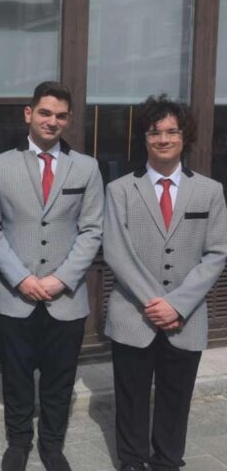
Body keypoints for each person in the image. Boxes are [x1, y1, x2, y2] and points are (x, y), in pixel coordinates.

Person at [103, 95, 227, 471]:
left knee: (176, 396)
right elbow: (116, 251)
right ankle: (131, 459)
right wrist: (154, 302)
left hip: (185, 318)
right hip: (133, 314)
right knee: (131, 395)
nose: (163, 139)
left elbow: (217, 253)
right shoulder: (120, 190)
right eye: (154, 132)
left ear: (184, 136)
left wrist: (177, 304)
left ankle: (168, 459)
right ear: (144, 138)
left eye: (172, 131)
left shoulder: (209, 191)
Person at [0, 81, 103, 471]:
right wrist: (20, 278)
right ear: (29, 113)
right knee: (16, 377)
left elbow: (92, 230)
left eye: (60, 116)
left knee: (60, 379)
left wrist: (61, 279)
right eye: (45, 113)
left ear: (68, 120)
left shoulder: (86, 167)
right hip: (13, 296)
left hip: (65, 298)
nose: (52, 121)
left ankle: (52, 445)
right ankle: (19, 441)